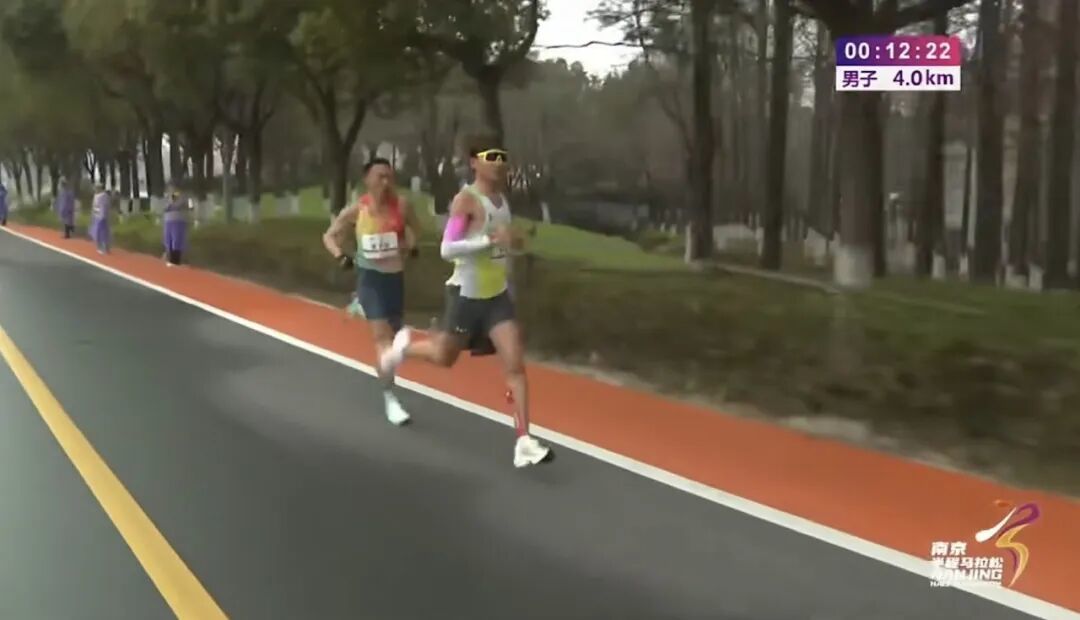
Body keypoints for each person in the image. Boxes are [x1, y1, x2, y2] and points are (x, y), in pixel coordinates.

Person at [380, 138, 552, 468]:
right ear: (474, 162)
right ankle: (401, 351)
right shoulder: (466, 201)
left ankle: (524, 440)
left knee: (515, 365)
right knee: (444, 357)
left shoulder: (502, 201)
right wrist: (487, 240)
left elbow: (503, 248)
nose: (498, 163)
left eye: (502, 157)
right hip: (466, 296)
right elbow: (447, 248)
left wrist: (513, 245)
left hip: (497, 297)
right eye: (491, 157)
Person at [323, 157, 420, 426]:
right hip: (370, 281)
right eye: (380, 177)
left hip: (395, 280)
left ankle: (389, 379)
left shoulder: (402, 206)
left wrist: (411, 245)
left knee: (394, 339)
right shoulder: (357, 210)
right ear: (367, 180)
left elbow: (416, 229)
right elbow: (329, 236)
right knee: (383, 339)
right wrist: (341, 256)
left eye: (389, 177)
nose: (385, 182)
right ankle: (390, 398)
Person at [163, 188, 189, 266]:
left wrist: (175, 203)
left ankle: (176, 261)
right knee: (169, 241)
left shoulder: (184, 197)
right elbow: (166, 208)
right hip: (169, 221)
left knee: (177, 241)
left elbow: (187, 206)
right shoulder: (168, 198)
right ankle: (170, 259)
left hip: (178, 221)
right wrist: (170, 202)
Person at [89, 183, 112, 254]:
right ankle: (99, 247)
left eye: (96, 188)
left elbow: (103, 207)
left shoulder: (104, 196)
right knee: (97, 233)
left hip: (101, 218)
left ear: (99, 188)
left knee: (103, 233)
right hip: (96, 216)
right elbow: (93, 206)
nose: (95, 190)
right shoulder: (96, 195)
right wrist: (92, 215)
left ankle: (105, 248)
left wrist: (102, 217)